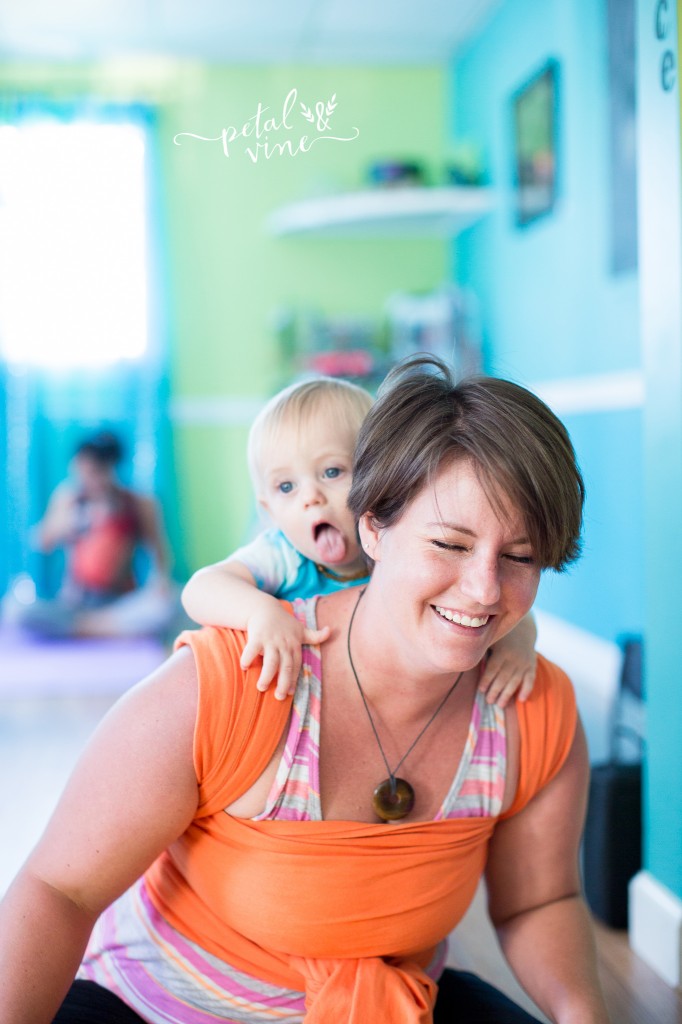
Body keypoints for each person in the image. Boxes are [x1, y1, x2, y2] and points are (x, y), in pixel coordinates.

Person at [0, 355, 611, 1024]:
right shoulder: (230, 680)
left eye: (519, 557)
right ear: (373, 525)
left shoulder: (531, 704)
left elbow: (538, 901)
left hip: (387, 1006)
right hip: (162, 1008)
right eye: (449, 544)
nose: (485, 590)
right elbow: (58, 891)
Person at [181, 375, 538, 706]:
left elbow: (487, 602)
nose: (311, 497)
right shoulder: (281, 555)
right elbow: (200, 588)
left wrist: (520, 641)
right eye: (285, 487)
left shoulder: (404, 553)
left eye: (332, 472)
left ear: (380, 482)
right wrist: (261, 612)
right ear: (269, 511)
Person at [13, 430, 179, 640]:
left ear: (113, 468)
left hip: (119, 603)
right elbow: (41, 542)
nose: (93, 476)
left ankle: (84, 628)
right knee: (17, 611)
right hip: (75, 603)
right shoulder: (68, 498)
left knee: (170, 604)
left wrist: (161, 582)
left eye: (99, 469)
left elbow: (159, 554)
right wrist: (70, 521)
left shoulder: (138, 503)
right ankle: (92, 628)